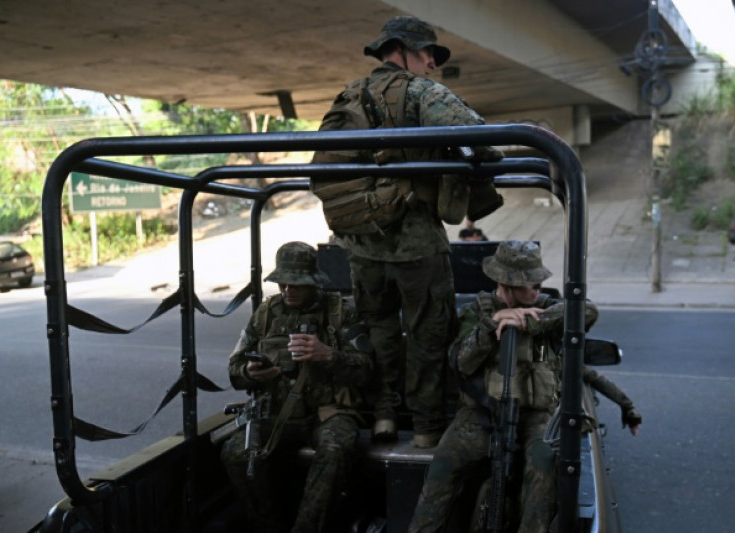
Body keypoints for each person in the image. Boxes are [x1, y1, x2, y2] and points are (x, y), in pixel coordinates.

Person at [313, 15, 503, 448]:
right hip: (415, 242)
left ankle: (382, 415)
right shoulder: (421, 91)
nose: (432, 65)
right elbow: (484, 140)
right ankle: (425, 428)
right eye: (427, 54)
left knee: (378, 330)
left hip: (360, 241)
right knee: (427, 334)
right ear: (402, 50)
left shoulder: (349, 95)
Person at [407, 241, 641, 532]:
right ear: (504, 284)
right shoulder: (476, 312)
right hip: (482, 413)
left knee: (543, 463)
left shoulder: (545, 307)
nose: (537, 288)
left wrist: (531, 321)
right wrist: (492, 325)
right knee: (443, 465)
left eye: (538, 282)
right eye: (529, 284)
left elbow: (587, 310)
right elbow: (460, 363)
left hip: (536, 413)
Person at [220, 241, 373, 533]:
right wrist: (251, 373)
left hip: (328, 412)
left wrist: (329, 355)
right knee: (236, 453)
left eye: (296, 284)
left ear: (314, 283)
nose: (288, 290)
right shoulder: (266, 315)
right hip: (275, 413)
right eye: (283, 283)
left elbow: (367, 370)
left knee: (335, 449)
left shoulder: (341, 314)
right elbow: (234, 369)